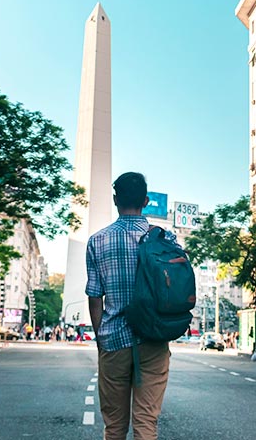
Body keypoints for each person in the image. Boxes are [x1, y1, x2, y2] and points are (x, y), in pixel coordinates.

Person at [86, 172, 176, 440]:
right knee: (146, 423)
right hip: (153, 338)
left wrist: (100, 336)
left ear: (115, 200)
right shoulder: (164, 238)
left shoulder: (97, 241)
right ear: (146, 201)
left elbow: (94, 296)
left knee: (114, 426)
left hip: (114, 340)